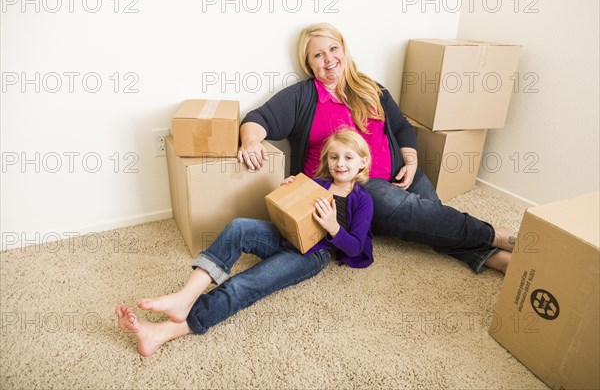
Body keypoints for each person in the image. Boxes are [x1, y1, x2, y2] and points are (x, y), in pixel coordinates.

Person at [238, 22, 515, 275]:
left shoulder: (371, 88)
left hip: (398, 172)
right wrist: (250, 141)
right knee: (415, 213)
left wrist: (411, 162)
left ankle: (492, 258)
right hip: (354, 186)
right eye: (318, 55)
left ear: (344, 50)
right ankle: (495, 236)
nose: (329, 59)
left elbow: (402, 128)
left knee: (431, 217)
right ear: (309, 64)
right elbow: (257, 120)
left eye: (333, 48)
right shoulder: (301, 97)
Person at [116, 130, 374, 357]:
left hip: (312, 254)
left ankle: (164, 331)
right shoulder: (317, 184)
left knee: (246, 283)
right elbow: (293, 212)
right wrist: (289, 191)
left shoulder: (363, 200)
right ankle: (185, 296)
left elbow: (355, 247)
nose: (340, 164)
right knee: (239, 226)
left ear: (363, 161)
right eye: (334, 157)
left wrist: (333, 226)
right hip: (286, 236)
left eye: (348, 158)